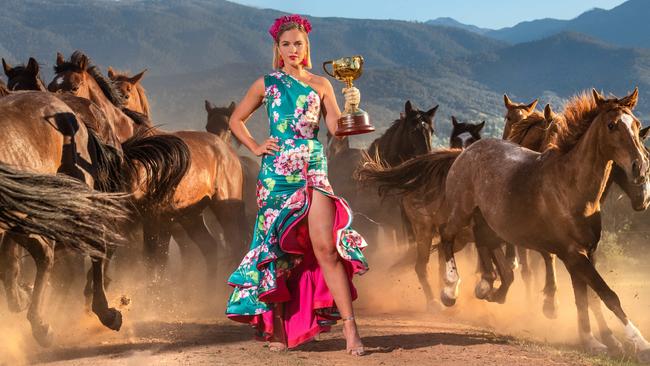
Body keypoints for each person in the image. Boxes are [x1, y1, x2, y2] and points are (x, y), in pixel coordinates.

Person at [225, 14, 369, 356]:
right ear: (278, 48)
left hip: (313, 169)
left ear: (307, 48)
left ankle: (351, 330)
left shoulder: (321, 84)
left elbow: (335, 129)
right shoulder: (266, 83)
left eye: (298, 44)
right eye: (286, 44)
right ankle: (275, 328)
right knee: (277, 251)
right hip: (276, 173)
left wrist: (351, 105)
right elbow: (235, 119)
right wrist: (256, 146)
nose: (292, 49)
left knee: (325, 248)